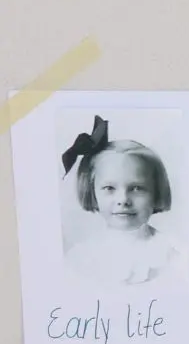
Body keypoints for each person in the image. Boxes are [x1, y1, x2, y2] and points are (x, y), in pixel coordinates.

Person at [60, 115, 182, 285]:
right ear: (92, 192)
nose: (123, 200)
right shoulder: (79, 258)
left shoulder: (171, 256)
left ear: (156, 192)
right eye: (109, 188)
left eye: (137, 188)